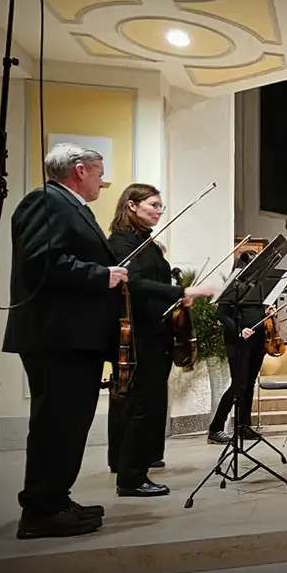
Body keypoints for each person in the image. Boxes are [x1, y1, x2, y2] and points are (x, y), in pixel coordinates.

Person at [3, 143, 131, 539]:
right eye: (98, 173)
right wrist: (103, 275)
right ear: (79, 170)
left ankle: (55, 498)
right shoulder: (45, 201)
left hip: (72, 336)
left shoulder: (67, 205)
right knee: (56, 424)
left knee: (69, 424)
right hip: (58, 336)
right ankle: (40, 509)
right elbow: (41, 260)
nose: (102, 181)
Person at [104, 184, 218, 498]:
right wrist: (182, 293)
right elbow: (136, 284)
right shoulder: (121, 242)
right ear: (131, 206)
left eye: (160, 207)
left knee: (150, 406)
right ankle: (130, 478)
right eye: (153, 205)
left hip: (157, 332)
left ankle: (136, 468)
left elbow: (155, 280)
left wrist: (177, 300)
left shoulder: (147, 243)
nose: (158, 211)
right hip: (141, 335)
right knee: (142, 407)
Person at [208, 251, 277, 444]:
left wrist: (267, 311)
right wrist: (239, 331)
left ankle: (243, 426)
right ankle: (215, 428)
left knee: (249, 383)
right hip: (238, 341)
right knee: (238, 384)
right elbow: (222, 314)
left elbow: (256, 310)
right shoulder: (232, 286)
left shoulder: (260, 286)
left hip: (257, 340)